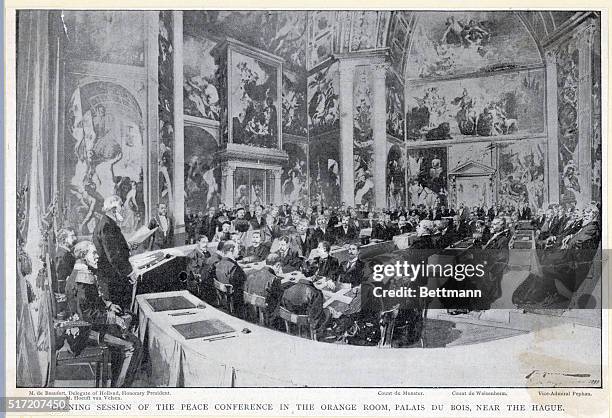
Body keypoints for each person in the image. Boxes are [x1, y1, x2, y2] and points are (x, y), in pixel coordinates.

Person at [65, 241, 142, 388]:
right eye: (93, 253)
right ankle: (119, 390)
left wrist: (109, 305)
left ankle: (116, 382)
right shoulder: (82, 279)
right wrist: (114, 318)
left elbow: (90, 302)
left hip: (87, 327)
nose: (97, 256)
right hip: (85, 332)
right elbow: (86, 315)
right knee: (133, 345)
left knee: (128, 319)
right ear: (83, 256)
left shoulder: (81, 273)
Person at [93, 195, 137, 310]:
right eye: (121, 205)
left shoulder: (106, 223)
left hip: (112, 276)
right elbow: (113, 256)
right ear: (113, 209)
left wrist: (126, 247)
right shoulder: (107, 226)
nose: (123, 208)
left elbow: (113, 248)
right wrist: (129, 272)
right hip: (113, 278)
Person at [244, 253, 284, 320]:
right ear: (278, 265)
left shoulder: (252, 274)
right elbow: (278, 300)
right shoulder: (274, 279)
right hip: (266, 313)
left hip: (251, 310)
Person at [213, 241, 247, 316]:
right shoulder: (234, 267)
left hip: (225, 300)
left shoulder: (218, 264)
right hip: (235, 303)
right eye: (238, 249)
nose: (239, 251)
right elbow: (244, 279)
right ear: (231, 250)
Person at [55, 228, 77, 293]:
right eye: (72, 236)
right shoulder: (63, 256)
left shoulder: (65, 253)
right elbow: (62, 281)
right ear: (64, 239)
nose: (75, 238)